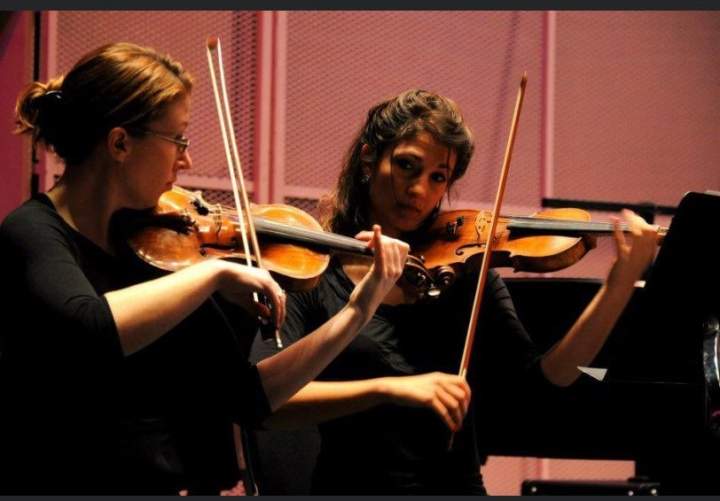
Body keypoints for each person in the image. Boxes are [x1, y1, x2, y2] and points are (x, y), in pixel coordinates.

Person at [0, 42, 411, 495]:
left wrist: (357, 311)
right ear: (120, 143)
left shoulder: (155, 250)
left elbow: (248, 399)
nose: (187, 160)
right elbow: (88, 330)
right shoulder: (31, 233)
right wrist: (210, 276)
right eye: (178, 140)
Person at [251, 89, 660, 494]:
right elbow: (264, 403)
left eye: (438, 177)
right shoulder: (313, 270)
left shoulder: (463, 278)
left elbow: (547, 382)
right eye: (407, 165)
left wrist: (619, 285)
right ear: (369, 158)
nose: (419, 190)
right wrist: (386, 389)